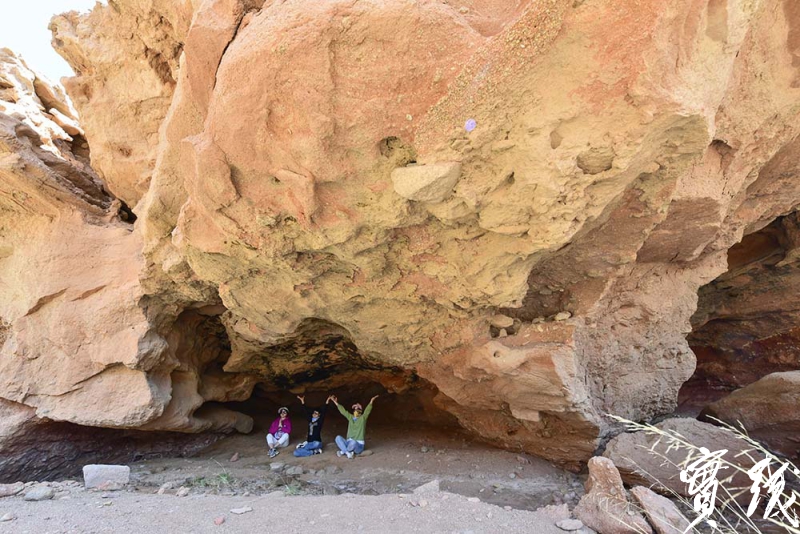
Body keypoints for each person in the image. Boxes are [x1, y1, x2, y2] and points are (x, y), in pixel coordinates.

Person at [331, 394, 378, 459]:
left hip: (358, 445)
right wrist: (335, 402)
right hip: (349, 442)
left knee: (353, 442)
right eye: (355, 409)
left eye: (358, 409)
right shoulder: (350, 417)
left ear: (360, 411)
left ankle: (343, 452)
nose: (356, 411)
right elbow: (343, 411)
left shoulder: (362, 418)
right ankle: (348, 453)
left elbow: (367, 411)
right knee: (338, 438)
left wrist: (371, 401)